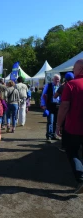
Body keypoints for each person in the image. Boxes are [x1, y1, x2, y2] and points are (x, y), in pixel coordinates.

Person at [56, 59, 83, 194]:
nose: (73, 71)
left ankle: (81, 178)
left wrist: (58, 125)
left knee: (72, 152)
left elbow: (64, 106)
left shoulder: (71, 85)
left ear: (79, 69)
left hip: (74, 127)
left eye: (74, 69)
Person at [54, 72, 74, 151]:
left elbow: (55, 96)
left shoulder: (62, 87)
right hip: (74, 109)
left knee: (65, 128)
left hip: (65, 108)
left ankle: (64, 146)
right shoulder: (75, 85)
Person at [41, 74, 60, 142]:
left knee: (55, 121)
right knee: (50, 121)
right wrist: (43, 105)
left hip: (57, 106)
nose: (57, 80)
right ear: (52, 79)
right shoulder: (48, 86)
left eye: (58, 79)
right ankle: (49, 135)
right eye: (56, 79)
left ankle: (53, 135)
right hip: (50, 105)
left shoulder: (60, 87)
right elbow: (43, 95)